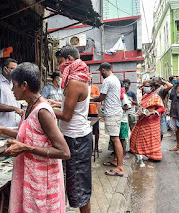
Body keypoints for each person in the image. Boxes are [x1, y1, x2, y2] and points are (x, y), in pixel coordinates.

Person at [0, 62, 70, 213]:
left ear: (24, 85)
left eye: (14, 85)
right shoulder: (29, 107)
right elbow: (29, 134)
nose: (12, 89)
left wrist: (26, 148)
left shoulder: (42, 111)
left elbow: (64, 152)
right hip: (30, 178)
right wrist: (3, 130)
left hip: (43, 182)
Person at [54, 46, 93, 213]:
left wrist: (42, 110)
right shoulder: (79, 77)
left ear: (69, 59)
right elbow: (70, 105)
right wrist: (52, 104)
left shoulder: (76, 81)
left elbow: (66, 115)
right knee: (74, 181)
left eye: (61, 63)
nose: (59, 68)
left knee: (79, 187)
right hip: (73, 136)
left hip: (76, 139)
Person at [92, 62, 124, 177]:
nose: (100, 74)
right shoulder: (115, 78)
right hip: (115, 111)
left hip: (112, 113)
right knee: (114, 138)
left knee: (115, 139)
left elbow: (102, 97)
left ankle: (120, 167)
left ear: (104, 70)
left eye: (100, 71)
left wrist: (91, 99)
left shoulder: (107, 80)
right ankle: (116, 160)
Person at [130, 81, 165, 160]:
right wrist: (137, 113)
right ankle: (139, 151)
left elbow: (162, 109)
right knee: (138, 136)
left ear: (152, 88)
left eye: (146, 86)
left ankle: (154, 156)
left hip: (152, 121)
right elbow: (142, 107)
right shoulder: (144, 96)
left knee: (152, 139)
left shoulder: (156, 97)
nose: (144, 88)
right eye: (144, 86)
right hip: (143, 119)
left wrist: (152, 113)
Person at [0, 58, 24, 127]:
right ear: (5, 69)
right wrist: (14, 108)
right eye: (13, 69)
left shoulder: (15, 83)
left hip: (15, 125)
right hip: (0, 126)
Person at [88, 81, 100, 155]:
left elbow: (98, 97)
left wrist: (93, 97)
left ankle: (96, 147)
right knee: (87, 130)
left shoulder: (95, 88)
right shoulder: (84, 88)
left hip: (94, 111)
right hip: (86, 111)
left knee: (96, 130)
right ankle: (89, 147)